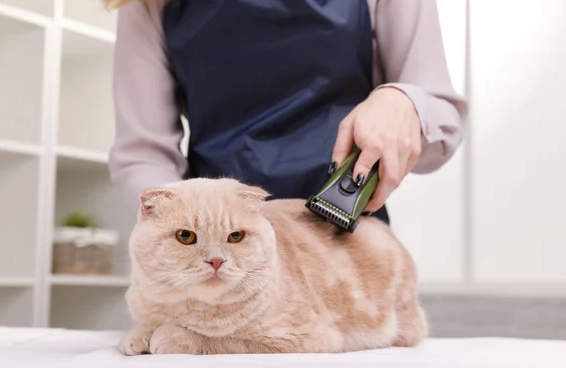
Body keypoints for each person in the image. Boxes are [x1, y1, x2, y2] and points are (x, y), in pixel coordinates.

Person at [107, 0, 467, 224]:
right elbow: (144, 154)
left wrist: (404, 102)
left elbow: (440, 127)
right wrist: (180, 231)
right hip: (221, 256)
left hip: (346, 248)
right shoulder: (147, 4)